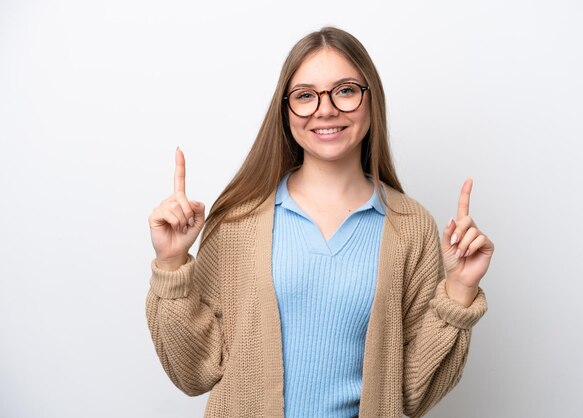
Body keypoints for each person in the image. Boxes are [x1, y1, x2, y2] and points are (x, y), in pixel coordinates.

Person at [146, 26, 494, 418]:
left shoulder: (410, 226)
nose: (325, 109)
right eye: (306, 96)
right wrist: (172, 265)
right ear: (286, 110)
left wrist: (460, 291)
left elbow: (410, 395)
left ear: (370, 100)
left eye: (345, 90)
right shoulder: (237, 222)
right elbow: (194, 373)